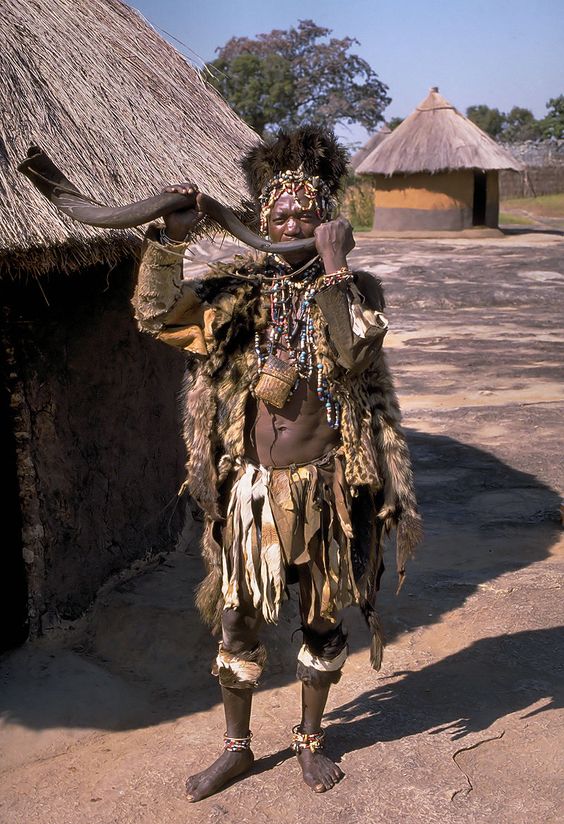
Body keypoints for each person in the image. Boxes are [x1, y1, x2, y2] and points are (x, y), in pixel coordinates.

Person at [132, 126, 421, 800]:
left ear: (329, 221)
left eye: (308, 212)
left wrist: (336, 269)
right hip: (253, 495)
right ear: (262, 221)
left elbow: (352, 355)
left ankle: (309, 739)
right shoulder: (236, 296)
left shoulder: (355, 290)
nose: (295, 221)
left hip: (330, 494)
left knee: (323, 618)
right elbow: (156, 316)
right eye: (282, 213)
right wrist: (168, 240)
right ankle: (236, 747)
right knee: (238, 617)